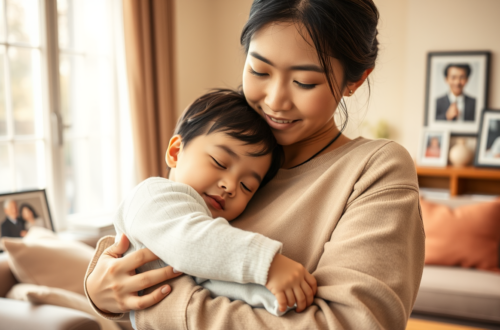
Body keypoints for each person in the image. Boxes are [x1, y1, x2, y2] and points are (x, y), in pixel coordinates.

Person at [85, 0, 425, 329]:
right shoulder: (221, 140)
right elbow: (153, 238)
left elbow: (351, 324)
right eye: (259, 70)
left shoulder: (376, 169)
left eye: (305, 82)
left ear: (356, 80)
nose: (275, 100)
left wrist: (155, 306)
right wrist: (100, 294)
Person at [114, 89, 316, 326]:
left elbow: (220, 281)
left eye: (246, 186)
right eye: (220, 162)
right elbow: (190, 242)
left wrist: (283, 298)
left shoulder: (210, 244)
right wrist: (267, 264)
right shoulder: (152, 196)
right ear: (175, 152)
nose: (230, 186)